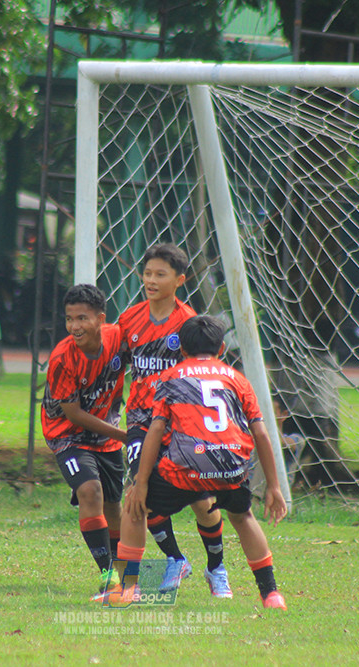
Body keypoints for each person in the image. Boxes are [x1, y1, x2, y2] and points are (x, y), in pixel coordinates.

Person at [116, 315, 288, 609]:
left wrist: (140, 482)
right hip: (231, 468)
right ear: (221, 348)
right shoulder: (237, 379)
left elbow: (155, 430)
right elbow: (260, 432)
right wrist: (273, 485)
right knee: (243, 517)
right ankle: (271, 593)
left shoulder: (170, 378)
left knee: (135, 506)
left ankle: (128, 588)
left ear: (181, 350)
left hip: (184, 470)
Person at [117, 243, 232, 598]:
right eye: (147, 273)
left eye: (160, 274)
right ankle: (171, 561)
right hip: (141, 419)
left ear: (179, 280)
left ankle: (216, 567)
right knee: (141, 491)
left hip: (180, 422)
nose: (151, 280)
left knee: (201, 499)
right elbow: (118, 365)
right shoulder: (129, 319)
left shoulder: (188, 323)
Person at [41, 284, 128, 601]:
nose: (74, 326)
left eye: (82, 318)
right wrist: (126, 436)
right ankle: (108, 578)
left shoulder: (119, 339)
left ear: (100, 319)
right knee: (90, 491)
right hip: (67, 434)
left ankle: (124, 575)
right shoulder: (62, 358)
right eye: (69, 319)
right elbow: (73, 413)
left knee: (114, 505)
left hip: (107, 434)